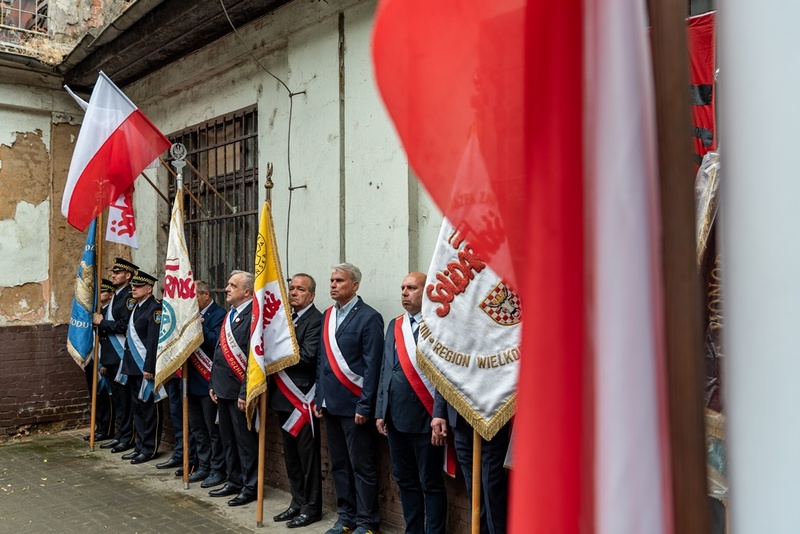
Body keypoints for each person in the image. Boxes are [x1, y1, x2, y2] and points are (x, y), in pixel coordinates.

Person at [315, 263, 384, 534]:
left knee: (362, 467)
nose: (333, 285)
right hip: (330, 405)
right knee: (339, 464)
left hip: (355, 407)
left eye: (339, 281)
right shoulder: (328, 315)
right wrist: (320, 398)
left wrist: (366, 404)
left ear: (354, 285)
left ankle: (367, 522)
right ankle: (346, 517)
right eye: (331, 280)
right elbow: (322, 360)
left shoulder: (369, 317)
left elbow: (372, 366)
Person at [376, 272, 447, 534]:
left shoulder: (438, 324)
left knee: (430, 483)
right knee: (405, 481)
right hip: (394, 419)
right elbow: (386, 370)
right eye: (403, 288)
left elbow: (444, 375)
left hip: (424, 418)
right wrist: (380, 411)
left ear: (426, 291)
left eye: (412, 288)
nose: (405, 293)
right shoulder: (395, 325)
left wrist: (438, 413)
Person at [270, 273, 323, 528]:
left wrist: (276, 353)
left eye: (300, 289)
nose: (293, 293)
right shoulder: (286, 318)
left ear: (312, 295)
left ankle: (312, 508)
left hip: (302, 399)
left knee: (307, 458)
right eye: (291, 288)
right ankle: (297, 502)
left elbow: (309, 356)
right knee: (290, 456)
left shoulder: (316, 320)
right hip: (282, 397)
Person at [208, 270, 258, 506]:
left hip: (239, 391)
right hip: (222, 389)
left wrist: (245, 391)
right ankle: (234, 479)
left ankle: (250, 486)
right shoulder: (231, 315)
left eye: (232, 285)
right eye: (228, 284)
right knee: (227, 439)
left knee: (244, 442)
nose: (226, 288)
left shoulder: (252, 317)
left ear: (247, 291)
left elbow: (253, 359)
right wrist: (213, 384)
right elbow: (219, 352)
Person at [431, 396, 510, 534]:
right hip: (460, 421)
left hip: (492, 416)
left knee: (492, 491)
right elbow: (445, 374)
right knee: (474, 490)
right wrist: (439, 413)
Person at [93, 258, 139, 453]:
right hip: (111, 357)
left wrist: (102, 322)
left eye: (117, 273)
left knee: (126, 400)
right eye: (113, 272)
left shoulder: (128, 298)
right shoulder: (117, 297)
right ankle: (120, 434)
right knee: (118, 401)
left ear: (127, 276)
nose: (113, 275)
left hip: (122, 357)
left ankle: (127, 438)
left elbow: (123, 325)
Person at [119, 270, 164, 464]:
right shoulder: (136, 308)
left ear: (148, 289)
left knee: (149, 410)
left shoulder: (155, 309)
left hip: (145, 368)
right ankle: (139, 445)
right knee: (137, 409)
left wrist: (150, 367)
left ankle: (149, 448)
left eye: (137, 286)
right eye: (132, 286)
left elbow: (153, 342)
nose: (133, 289)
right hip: (132, 367)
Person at [186, 280, 227, 488]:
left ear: (206, 295)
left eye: (194, 296)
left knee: (213, 430)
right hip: (192, 379)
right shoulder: (191, 315)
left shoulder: (219, 315)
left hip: (209, 380)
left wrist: (200, 326)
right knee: (198, 429)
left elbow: (217, 344)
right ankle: (203, 465)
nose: (191, 301)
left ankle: (218, 469)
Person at [83, 279, 116, 442]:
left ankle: (107, 428)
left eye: (103, 292)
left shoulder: (108, 314)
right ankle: (99, 427)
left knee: (105, 396)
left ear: (110, 294)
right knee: (95, 396)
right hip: (92, 359)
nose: (99, 295)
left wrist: (103, 362)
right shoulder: (95, 312)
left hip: (104, 360)